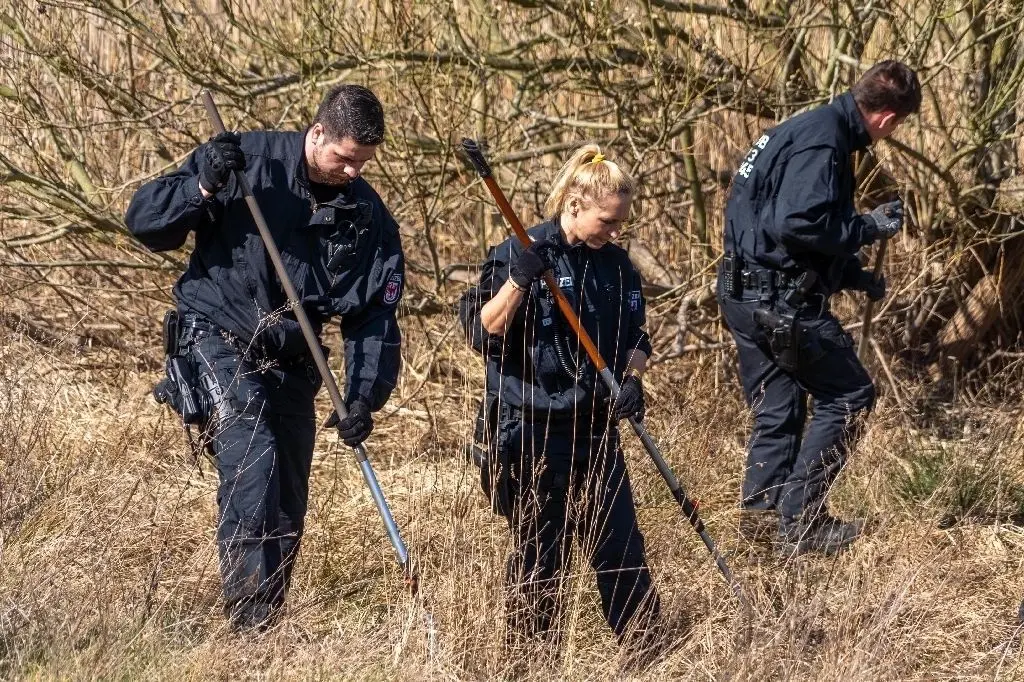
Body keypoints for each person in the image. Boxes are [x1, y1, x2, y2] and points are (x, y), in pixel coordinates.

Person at [126, 85, 404, 630]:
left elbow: (373, 319)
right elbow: (145, 223)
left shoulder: (369, 219)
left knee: (287, 497)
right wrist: (203, 182)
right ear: (317, 133)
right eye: (344, 158)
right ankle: (249, 630)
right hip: (215, 334)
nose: (352, 172)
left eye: (363, 163)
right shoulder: (244, 161)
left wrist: (363, 397)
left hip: (293, 362)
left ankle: (268, 627)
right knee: (253, 458)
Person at [459, 145, 663, 659]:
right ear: (575, 202)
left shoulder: (617, 267)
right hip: (531, 429)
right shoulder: (519, 251)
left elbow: (638, 337)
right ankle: (530, 660)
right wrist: (519, 280)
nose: (616, 231)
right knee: (541, 552)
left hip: (595, 428)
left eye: (621, 223)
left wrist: (631, 380)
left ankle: (647, 651)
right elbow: (483, 331)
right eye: (608, 221)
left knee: (620, 544)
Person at [717, 60, 921, 556]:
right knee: (850, 394)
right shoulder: (825, 141)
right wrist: (868, 228)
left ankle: (762, 530)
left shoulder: (800, 128)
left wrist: (852, 274)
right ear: (888, 119)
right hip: (781, 306)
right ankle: (801, 520)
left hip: (745, 296)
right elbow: (798, 224)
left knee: (779, 409)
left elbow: (771, 222)